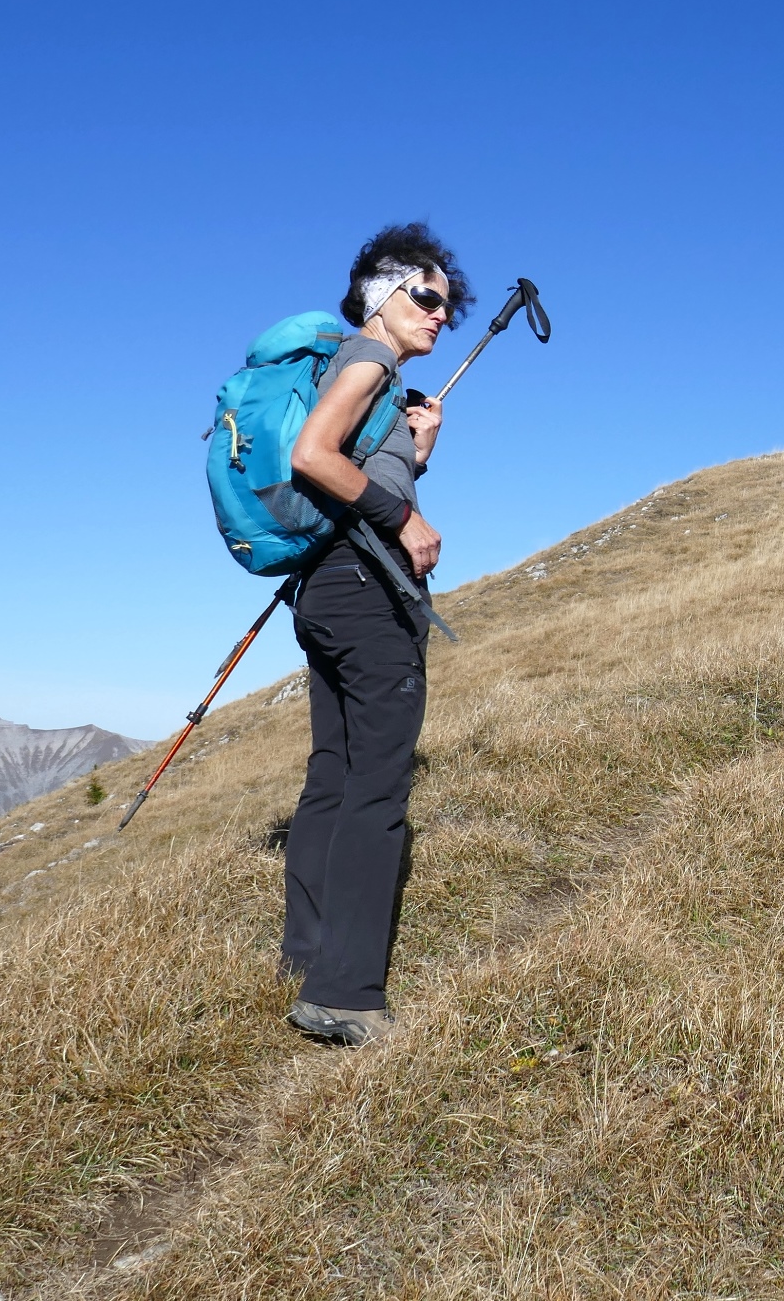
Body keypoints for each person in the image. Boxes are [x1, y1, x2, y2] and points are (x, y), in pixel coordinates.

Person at [278, 222, 470, 1046]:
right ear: (384, 296)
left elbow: (352, 464)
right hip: (366, 591)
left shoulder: (358, 373)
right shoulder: (369, 358)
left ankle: (306, 956)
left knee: (335, 770)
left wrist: (415, 459)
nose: (438, 318)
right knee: (378, 789)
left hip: (327, 589)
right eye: (427, 299)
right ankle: (346, 994)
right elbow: (313, 455)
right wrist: (406, 519)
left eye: (447, 309)